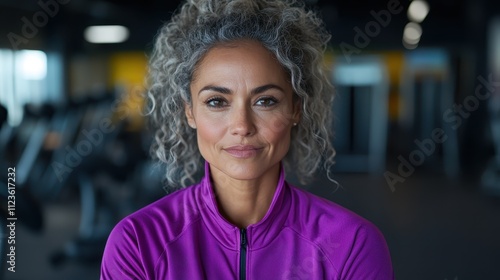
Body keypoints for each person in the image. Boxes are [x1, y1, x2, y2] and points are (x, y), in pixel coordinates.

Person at [100, 0, 395, 279]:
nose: (242, 126)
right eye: (217, 102)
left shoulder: (352, 245)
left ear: (295, 109)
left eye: (265, 101)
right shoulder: (137, 243)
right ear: (189, 112)